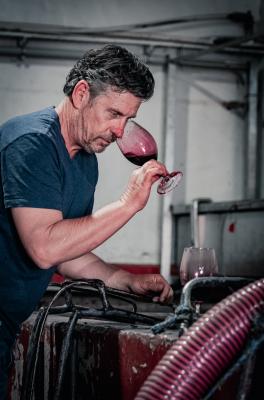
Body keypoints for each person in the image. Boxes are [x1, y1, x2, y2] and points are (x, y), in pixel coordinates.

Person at [0, 44, 173, 398]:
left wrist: (123, 279)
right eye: (113, 113)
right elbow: (45, 248)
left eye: (129, 119)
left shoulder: (84, 160)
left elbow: (67, 251)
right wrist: (127, 204)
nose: (119, 131)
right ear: (81, 94)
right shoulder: (32, 142)